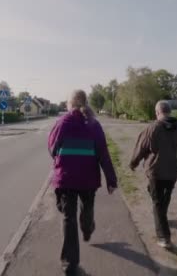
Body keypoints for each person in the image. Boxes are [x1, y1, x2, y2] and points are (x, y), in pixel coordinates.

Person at [48, 89, 118, 275]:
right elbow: (103, 153)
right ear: (86, 102)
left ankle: (70, 266)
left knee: (68, 218)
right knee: (87, 209)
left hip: (66, 179)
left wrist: (61, 157)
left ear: (69, 104)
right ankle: (87, 229)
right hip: (88, 179)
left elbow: (52, 148)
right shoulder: (94, 125)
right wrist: (111, 179)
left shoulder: (62, 122)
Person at [129, 100, 177, 249]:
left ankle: (163, 237)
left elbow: (141, 148)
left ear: (158, 112)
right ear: (169, 112)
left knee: (158, 203)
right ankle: (162, 219)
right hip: (172, 173)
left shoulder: (152, 128)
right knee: (162, 198)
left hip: (156, 172)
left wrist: (133, 163)